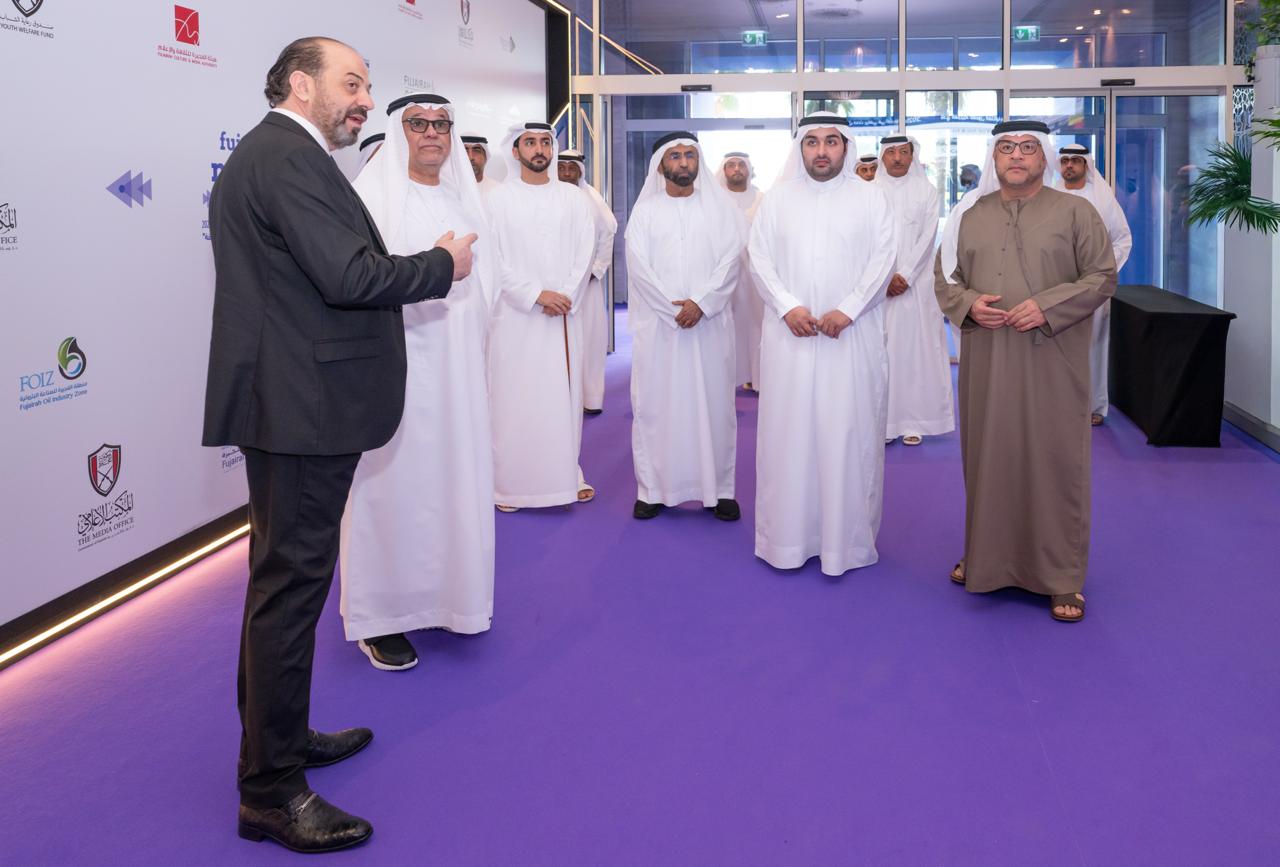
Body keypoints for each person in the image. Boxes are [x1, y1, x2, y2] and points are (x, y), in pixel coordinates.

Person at [202, 37, 475, 852]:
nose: (363, 100)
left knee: (283, 588)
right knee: (289, 594)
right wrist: (440, 263)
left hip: (297, 405)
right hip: (300, 411)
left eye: (366, 86)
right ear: (300, 83)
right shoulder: (287, 157)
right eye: (351, 84)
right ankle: (270, 792)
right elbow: (349, 276)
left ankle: (279, 742)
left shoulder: (282, 154)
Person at [339, 94, 497, 672]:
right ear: (395, 131)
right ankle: (380, 617)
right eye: (417, 123)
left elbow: (489, 285)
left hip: (458, 372)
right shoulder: (368, 200)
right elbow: (358, 281)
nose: (431, 132)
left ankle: (450, 599)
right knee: (391, 490)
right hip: (396, 368)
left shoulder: (463, 200)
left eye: (441, 124)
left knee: (453, 483)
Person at [935, 120, 1116, 622]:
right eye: (1007, 148)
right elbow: (946, 278)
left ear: (1045, 157)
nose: (1017, 155)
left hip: (1052, 358)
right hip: (988, 358)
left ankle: (1061, 576)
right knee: (988, 456)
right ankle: (986, 558)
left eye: (1028, 147)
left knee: (1054, 459)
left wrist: (1046, 306)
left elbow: (1102, 276)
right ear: (994, 158)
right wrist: (969, 304)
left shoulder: (1076, 212)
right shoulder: (970, 214)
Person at [748, 112, 897, 576]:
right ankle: (787, 540)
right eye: (812, 141)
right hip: (790, 336)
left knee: (848, 435)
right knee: (788, 437)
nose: (821, 150)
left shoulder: (871, 199)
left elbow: (883, 259)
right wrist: (787, 306)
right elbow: (759, 257)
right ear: (800, 148)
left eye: (831, 141)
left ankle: (844, 545)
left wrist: (848, 309)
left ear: (845, 147)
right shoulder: (777, 199)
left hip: (851, 339)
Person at [625, 132, 746, 520]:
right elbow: (638, 267)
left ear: (698, 161)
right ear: (661, 165)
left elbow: (731, 260)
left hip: (709, 325)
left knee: (714, 407)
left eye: (689, 155)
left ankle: (720, 489)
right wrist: (671, 309)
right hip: (659, 329)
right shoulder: (645, 212)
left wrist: (702, 303)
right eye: (674, 156)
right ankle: (653, 489)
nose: (682, 162)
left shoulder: (720, 209)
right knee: (656, 407)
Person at [485, 122, 596, 511]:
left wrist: (564, 294)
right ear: (515, 152)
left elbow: (586, 249)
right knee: (514, 402)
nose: (539, 149)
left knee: (562, 400)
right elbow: (491, 258)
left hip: (562, 316)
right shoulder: (497, 201)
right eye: (530, 142)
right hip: (515, 320)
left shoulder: (573, 198)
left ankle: (566, 477)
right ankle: (510, 487)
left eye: (546, 142)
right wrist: (535, 295)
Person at [875, 134, 954, 446]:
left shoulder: (927, 190)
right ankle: (881, 422)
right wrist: (884, 277)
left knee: (915, 352)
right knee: (880, 352)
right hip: (876, 288)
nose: (897, 158)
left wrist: (904, 275)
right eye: (891, 152)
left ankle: (913, 420)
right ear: (882, 156)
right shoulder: (868, 192)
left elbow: (928, 237)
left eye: (903, 152)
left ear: (912, 155)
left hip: (916, 286)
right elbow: (866, 239)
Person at [1056, 143, 1133, 426]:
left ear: (1086, 164)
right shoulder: (1050, 196)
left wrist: (1102, 273)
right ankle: (1058, 404)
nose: (1069, 165)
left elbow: (1122, 239)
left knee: (1094, 344)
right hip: (1056, 285)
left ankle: (1093, 407)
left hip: (1093, 286)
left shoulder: (1102, 199)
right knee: (1057, 346)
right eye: (1065, 160)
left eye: (1075, 160)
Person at [557, 148, 617, 415]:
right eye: (561, 168)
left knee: (590, 340)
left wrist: (596, 269)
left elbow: (608, 233)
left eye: (572, 169)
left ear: (580, 172)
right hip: (555, 286)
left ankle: (590, 398)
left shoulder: (592, 199)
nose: (566, 173)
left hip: (588, 285)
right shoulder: (549, 197)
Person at [716, 151, 765, 391]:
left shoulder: (762, 199)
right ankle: (723, 379)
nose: (737, 169)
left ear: (749, 169)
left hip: (755, 274)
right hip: (722, 273)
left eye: (741, 165)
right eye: (731, 165)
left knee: (756, 325)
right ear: (724, 170)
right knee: (725, 325)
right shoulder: (715, 200)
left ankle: (755, 377)